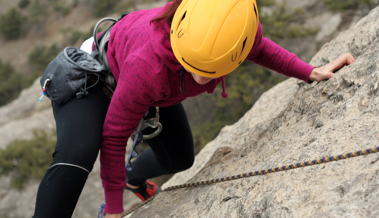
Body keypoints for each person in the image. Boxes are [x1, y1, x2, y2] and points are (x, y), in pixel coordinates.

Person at [33, 0, 355, 217]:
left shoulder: (231, 32)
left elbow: (261, 48)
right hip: (97, 77)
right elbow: (114, 137)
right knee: (78, 156)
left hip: (146, 87)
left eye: (210, 69)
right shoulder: (151, 65)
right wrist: (115, 209)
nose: (202, 77)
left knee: (181, 158)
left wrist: (310, 72)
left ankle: (133, 178)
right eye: (195, 65)